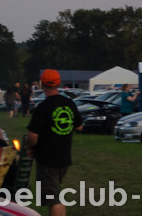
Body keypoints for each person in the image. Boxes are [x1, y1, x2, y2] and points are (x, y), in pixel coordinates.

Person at [27, 69, 82, 216]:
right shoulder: (69, 103)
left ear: (42, 84)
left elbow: (32, 136)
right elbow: (79, 126)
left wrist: (30, 148)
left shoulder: (43, 107)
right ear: (58, 83)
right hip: (64, 158)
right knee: (55, 194)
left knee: (53, 199)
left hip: (47, 160)